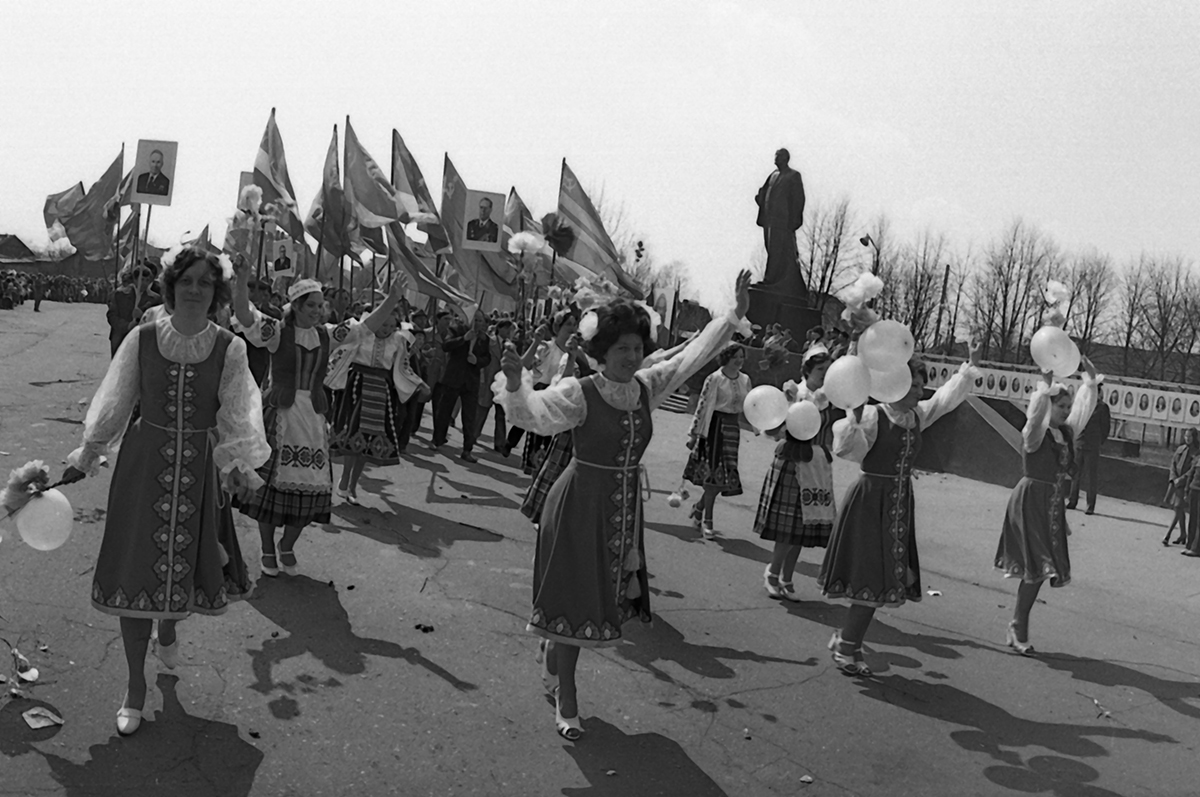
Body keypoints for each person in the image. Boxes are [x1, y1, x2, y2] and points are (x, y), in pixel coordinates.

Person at [497, 270, 751, 741]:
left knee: (593, 601)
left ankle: (552, 657)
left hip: (623, 507)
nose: (632, 357)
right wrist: (516, 383)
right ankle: (567, 698)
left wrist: (733, 315)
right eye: (621, 350)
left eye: (637, 347)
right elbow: (530, 415)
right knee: (575, 600)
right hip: (577, 505)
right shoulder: (581, 391)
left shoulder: (644, 386)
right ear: (600, 353)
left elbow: (692, 359)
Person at [61, 246, 269, 736]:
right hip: (142, 465)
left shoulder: (229, 348)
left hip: (197, 471)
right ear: (171, 286)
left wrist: (238, 463)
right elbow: (117, 399)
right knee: (135, 571)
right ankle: (135, 686)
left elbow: (239, 411)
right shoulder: (143, 338)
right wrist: (87, 454)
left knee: (182, 571)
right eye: (187, 280)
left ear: (215, 291)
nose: (195, 289)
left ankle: (170, 625)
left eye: (204, 282)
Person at [818, 341, 982, 676]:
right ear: (897, 384)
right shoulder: (876, 415)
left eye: (922, 386)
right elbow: (850, 451)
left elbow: (944, 401)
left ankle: (848, 642)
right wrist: (854, 419)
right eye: (915, 385)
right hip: (870, 501)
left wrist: (968, 367)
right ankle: (847, 645)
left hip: (898, 502)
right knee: (870, 576)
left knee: (883, 579)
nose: (921, 392)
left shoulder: (915, 416)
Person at [232, 265, 406, 577]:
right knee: (269, 488)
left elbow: (365, 327)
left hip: (311, 419)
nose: (317, 310)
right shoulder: (277, 332)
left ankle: (288, 545)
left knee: (311, 487)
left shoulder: (327, 335)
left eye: (320, 305)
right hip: (279, 416)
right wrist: (242, 282)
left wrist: (392, 300)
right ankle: (268, 547)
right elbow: (245, 317)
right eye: (310, 305)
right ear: (296, 306)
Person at [994, 359, 1100, 654]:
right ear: (1047, 407)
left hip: (1052, 504)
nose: (1066, 411)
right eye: (1060, 406)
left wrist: (1089, 382)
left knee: (1040, 571)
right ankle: (1018, 627)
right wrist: (1043, 390)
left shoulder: (1064, 433)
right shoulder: (1035, 434)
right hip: (1029, 501)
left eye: (1067, 406)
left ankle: (1017, 624)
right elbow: (1033, 422)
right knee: (1038, 568)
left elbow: (1082, 412)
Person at [756, 348, 835, 600]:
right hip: (793, 459)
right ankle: (773, 572)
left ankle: (787, 577)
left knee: (803, 525)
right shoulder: (794, 392)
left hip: (815, 462)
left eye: (828, 370)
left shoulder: (829, 396)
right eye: (821, 370)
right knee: (788, 525)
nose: (825, 375)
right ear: (808, 370)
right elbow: (774, 425)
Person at [329, 306, 427, 502]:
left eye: (391, 325)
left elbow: (403, 367)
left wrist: (419, 383)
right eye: (384, 323)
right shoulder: (362, 334)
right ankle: (345, 478)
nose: (387, 328)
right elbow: (340, 353)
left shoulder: (399, 340)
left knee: (369, 439)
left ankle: (353, 484)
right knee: (352, 435)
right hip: (357, 386)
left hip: (381, 391)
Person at [683, 343, 751, 538]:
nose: (739, 360)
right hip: (713, 430)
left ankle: (698, 508)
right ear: (726, 357)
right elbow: (703, 407)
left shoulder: (746, 380)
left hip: (732, 431)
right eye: (735, 356)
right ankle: (708, 521)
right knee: (713, 477)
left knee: (724, 478)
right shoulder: (714, 379)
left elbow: (751, 405)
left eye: (742, 357)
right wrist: (694, 434)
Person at [502, 310, 578, 471]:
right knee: (537, 437)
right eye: (568, 324)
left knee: (552, 441)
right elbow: (525, 365)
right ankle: (529, 463)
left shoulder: (575, 353)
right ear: (558, 327)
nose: (572, 328)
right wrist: (535, 342)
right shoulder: (546, 347)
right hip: (541, 393)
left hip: (559, 398)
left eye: (574, 324)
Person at [430, 312, 492, 462]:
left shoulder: (484, 339)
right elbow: (446, 346)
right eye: (475, 320)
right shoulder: (457, 330)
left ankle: (467, 449)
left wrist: (477, 360)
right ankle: (438, 439)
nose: (477, 323)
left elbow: (487, 358)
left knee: (469, 416)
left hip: (471, 382)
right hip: (454, 378)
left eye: (480, 321)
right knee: (444, 411)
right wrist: (463, 339)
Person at [754, 148, 807, 296]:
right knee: (771, 249)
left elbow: (799, 199)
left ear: (785, 158)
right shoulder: (773, 175)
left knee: (779, 252)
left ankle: (771, 280)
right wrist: (761, 199)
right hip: (769, 220)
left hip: (782, 221)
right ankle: (772, 279)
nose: (775, 158)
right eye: (775, 156)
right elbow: (763, 191)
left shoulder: (793, 176)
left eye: (778, 156)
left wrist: (794, 220)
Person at [1067, 386, 1110, 514]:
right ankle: (1072, 500)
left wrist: (1098, 441)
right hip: (1079, 442)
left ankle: (1090, 505)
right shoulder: (1082, 404)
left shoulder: (1102, 407)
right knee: (1075, 473)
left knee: (1091, 475)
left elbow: (1105, 427)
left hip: (1093, 445)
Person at [475, 319, 514, 448]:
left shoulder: (510, 346)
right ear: (499, 328)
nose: (508, 331)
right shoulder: (490, 341)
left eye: (511, 329)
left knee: (501, 414)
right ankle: (473, 435)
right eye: (506, 328)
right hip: (488, 379)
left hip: (502, 384)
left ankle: (500, 443)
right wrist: (481, 378)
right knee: (482, 409)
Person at [1162, 428, 1197, 546]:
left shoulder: (1197, 452)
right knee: (1178, 508)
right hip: (1175, 484)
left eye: (1190, 437)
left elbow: (1193, 470)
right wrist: (1173, 478)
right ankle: (1183, 534)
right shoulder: (1180, 449)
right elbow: (1173, 465)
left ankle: (1168, 534)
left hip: (1186, 484)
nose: (1187, 438)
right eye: (1186, 436)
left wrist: (1181, 480)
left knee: (1178, 507)